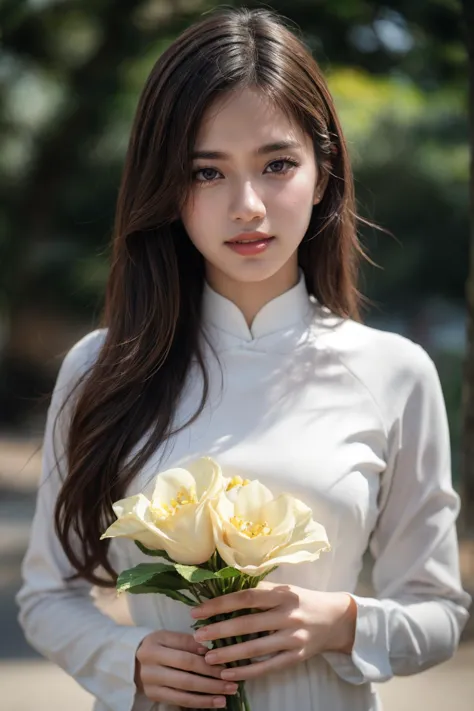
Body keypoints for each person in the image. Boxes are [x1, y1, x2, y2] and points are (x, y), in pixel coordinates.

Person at [16, 7, 471, 711]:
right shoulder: (103, 365)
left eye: (278, 164)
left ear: (323, 175)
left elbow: (440, 611)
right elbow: (47, 593)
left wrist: (340, 622)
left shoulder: (393, 372)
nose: (248, 206)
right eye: (206, 172)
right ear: (166, 188)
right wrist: (126, 653)